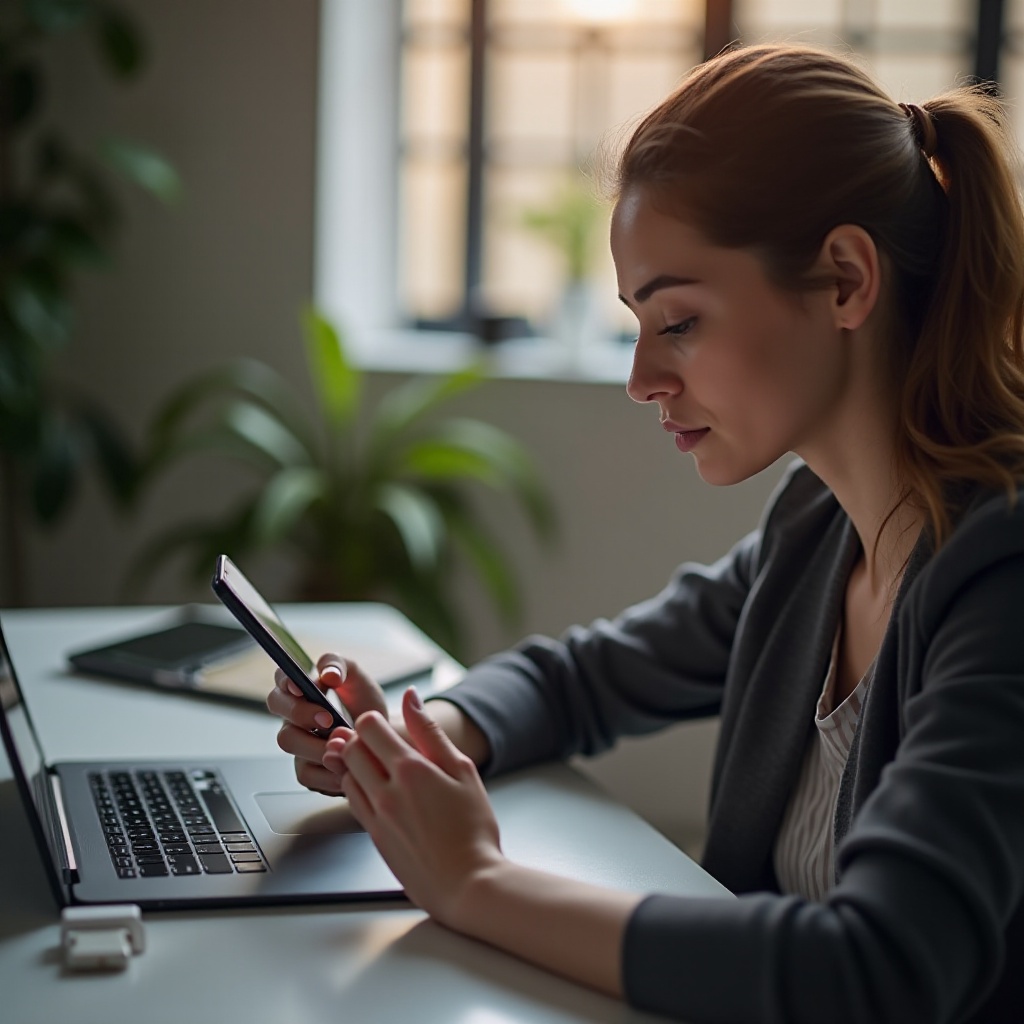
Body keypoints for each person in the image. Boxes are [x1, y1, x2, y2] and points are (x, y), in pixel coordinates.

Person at [267, 44, 1024, 1024]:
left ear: (843, 279)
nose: (640, 379)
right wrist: (415, 745)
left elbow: (875, 967)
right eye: (637, 323)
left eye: (679, 321)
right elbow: (579, 678)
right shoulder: (817, 527)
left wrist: (474, 883)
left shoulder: (1000, 579)